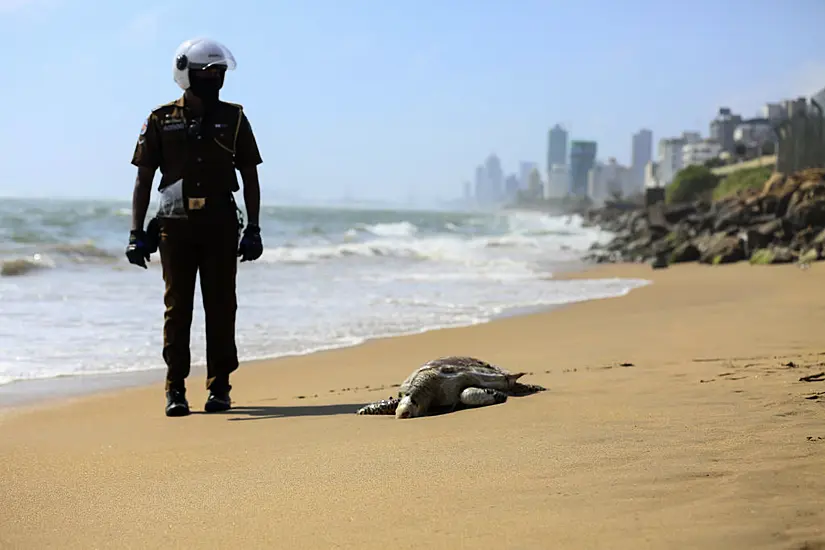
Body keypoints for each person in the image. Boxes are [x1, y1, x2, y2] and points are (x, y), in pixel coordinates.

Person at [126, 37, 264, 417]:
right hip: (174, 228)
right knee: (177, 309)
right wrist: (136, 234)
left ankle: (220, 386)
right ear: (186, 73)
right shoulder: (160, 118)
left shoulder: (234, 118)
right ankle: (175, 389)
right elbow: (143, 179)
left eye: (219, 73)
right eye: (207, 72)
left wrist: (253, 228)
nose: (215, 79)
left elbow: (249, 175)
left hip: (221, 226)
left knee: (222, 307)